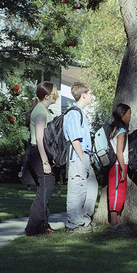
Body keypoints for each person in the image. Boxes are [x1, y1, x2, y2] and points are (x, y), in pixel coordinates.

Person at [63, 82, 98, 233]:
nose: (92, 96)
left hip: (84, 156)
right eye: (90, 93)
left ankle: (84, 219)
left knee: (91, 188)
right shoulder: (74, 113)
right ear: (83, 95)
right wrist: (83, 157)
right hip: (78, 157)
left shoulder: (81, 113)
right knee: (77, 189)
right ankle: (74, 224)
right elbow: (74, 139)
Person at [24, 81, 58, 236]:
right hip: (38, 154)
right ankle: (32, 228)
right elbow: (39, 138)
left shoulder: (43, 110)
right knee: (46, 189)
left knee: (45, 190)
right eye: (54, 93)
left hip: (39, 153)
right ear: (47, 96)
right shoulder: (40, 112)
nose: (56, 95)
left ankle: (43, 226)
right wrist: (45, 161)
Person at [108, 103, 131, 232]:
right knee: (116, 193)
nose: (130, 117)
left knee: (118, 193)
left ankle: (118, 220)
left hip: (117, 164)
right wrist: (123, 169)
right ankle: (113, 222)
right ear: (122, 115)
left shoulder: (114, 128)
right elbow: (119, 151)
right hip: (118, 164)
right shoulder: (121, 131)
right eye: (128, 114)